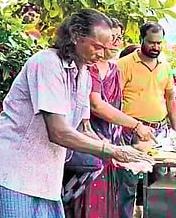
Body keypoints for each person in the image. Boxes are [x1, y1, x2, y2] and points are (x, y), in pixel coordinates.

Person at [0, 9, 153, 218]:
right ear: (75, 37)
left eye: (105, 48)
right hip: (16, 167)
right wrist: (110, 150)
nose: (101, 54)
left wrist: (115, 153)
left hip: (46, 170)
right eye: (97, 46)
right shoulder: (46, 63)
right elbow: (58, 132)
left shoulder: (83, 74)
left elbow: (83, 126)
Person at [61, 18, 155, 218]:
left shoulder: (114, 69)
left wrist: (123, 145)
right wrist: (136, 126)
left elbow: (116, 105)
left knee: (108, 204)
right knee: (84, 203)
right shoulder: (87, 68)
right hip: (89, 147)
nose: (115, 43)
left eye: (119, 38)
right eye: (112, 38)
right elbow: (96, 106)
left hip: (109, 144)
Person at [117, 22, 176, 218]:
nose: (156, 47)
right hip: (130, 131)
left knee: (158, 184)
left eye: (160, 43)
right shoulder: (124, 64)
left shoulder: (165, 67)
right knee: (128, 183)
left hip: (158, 132)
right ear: (141, 40)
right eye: (152, 43)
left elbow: (170, 99)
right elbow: (114, 99)